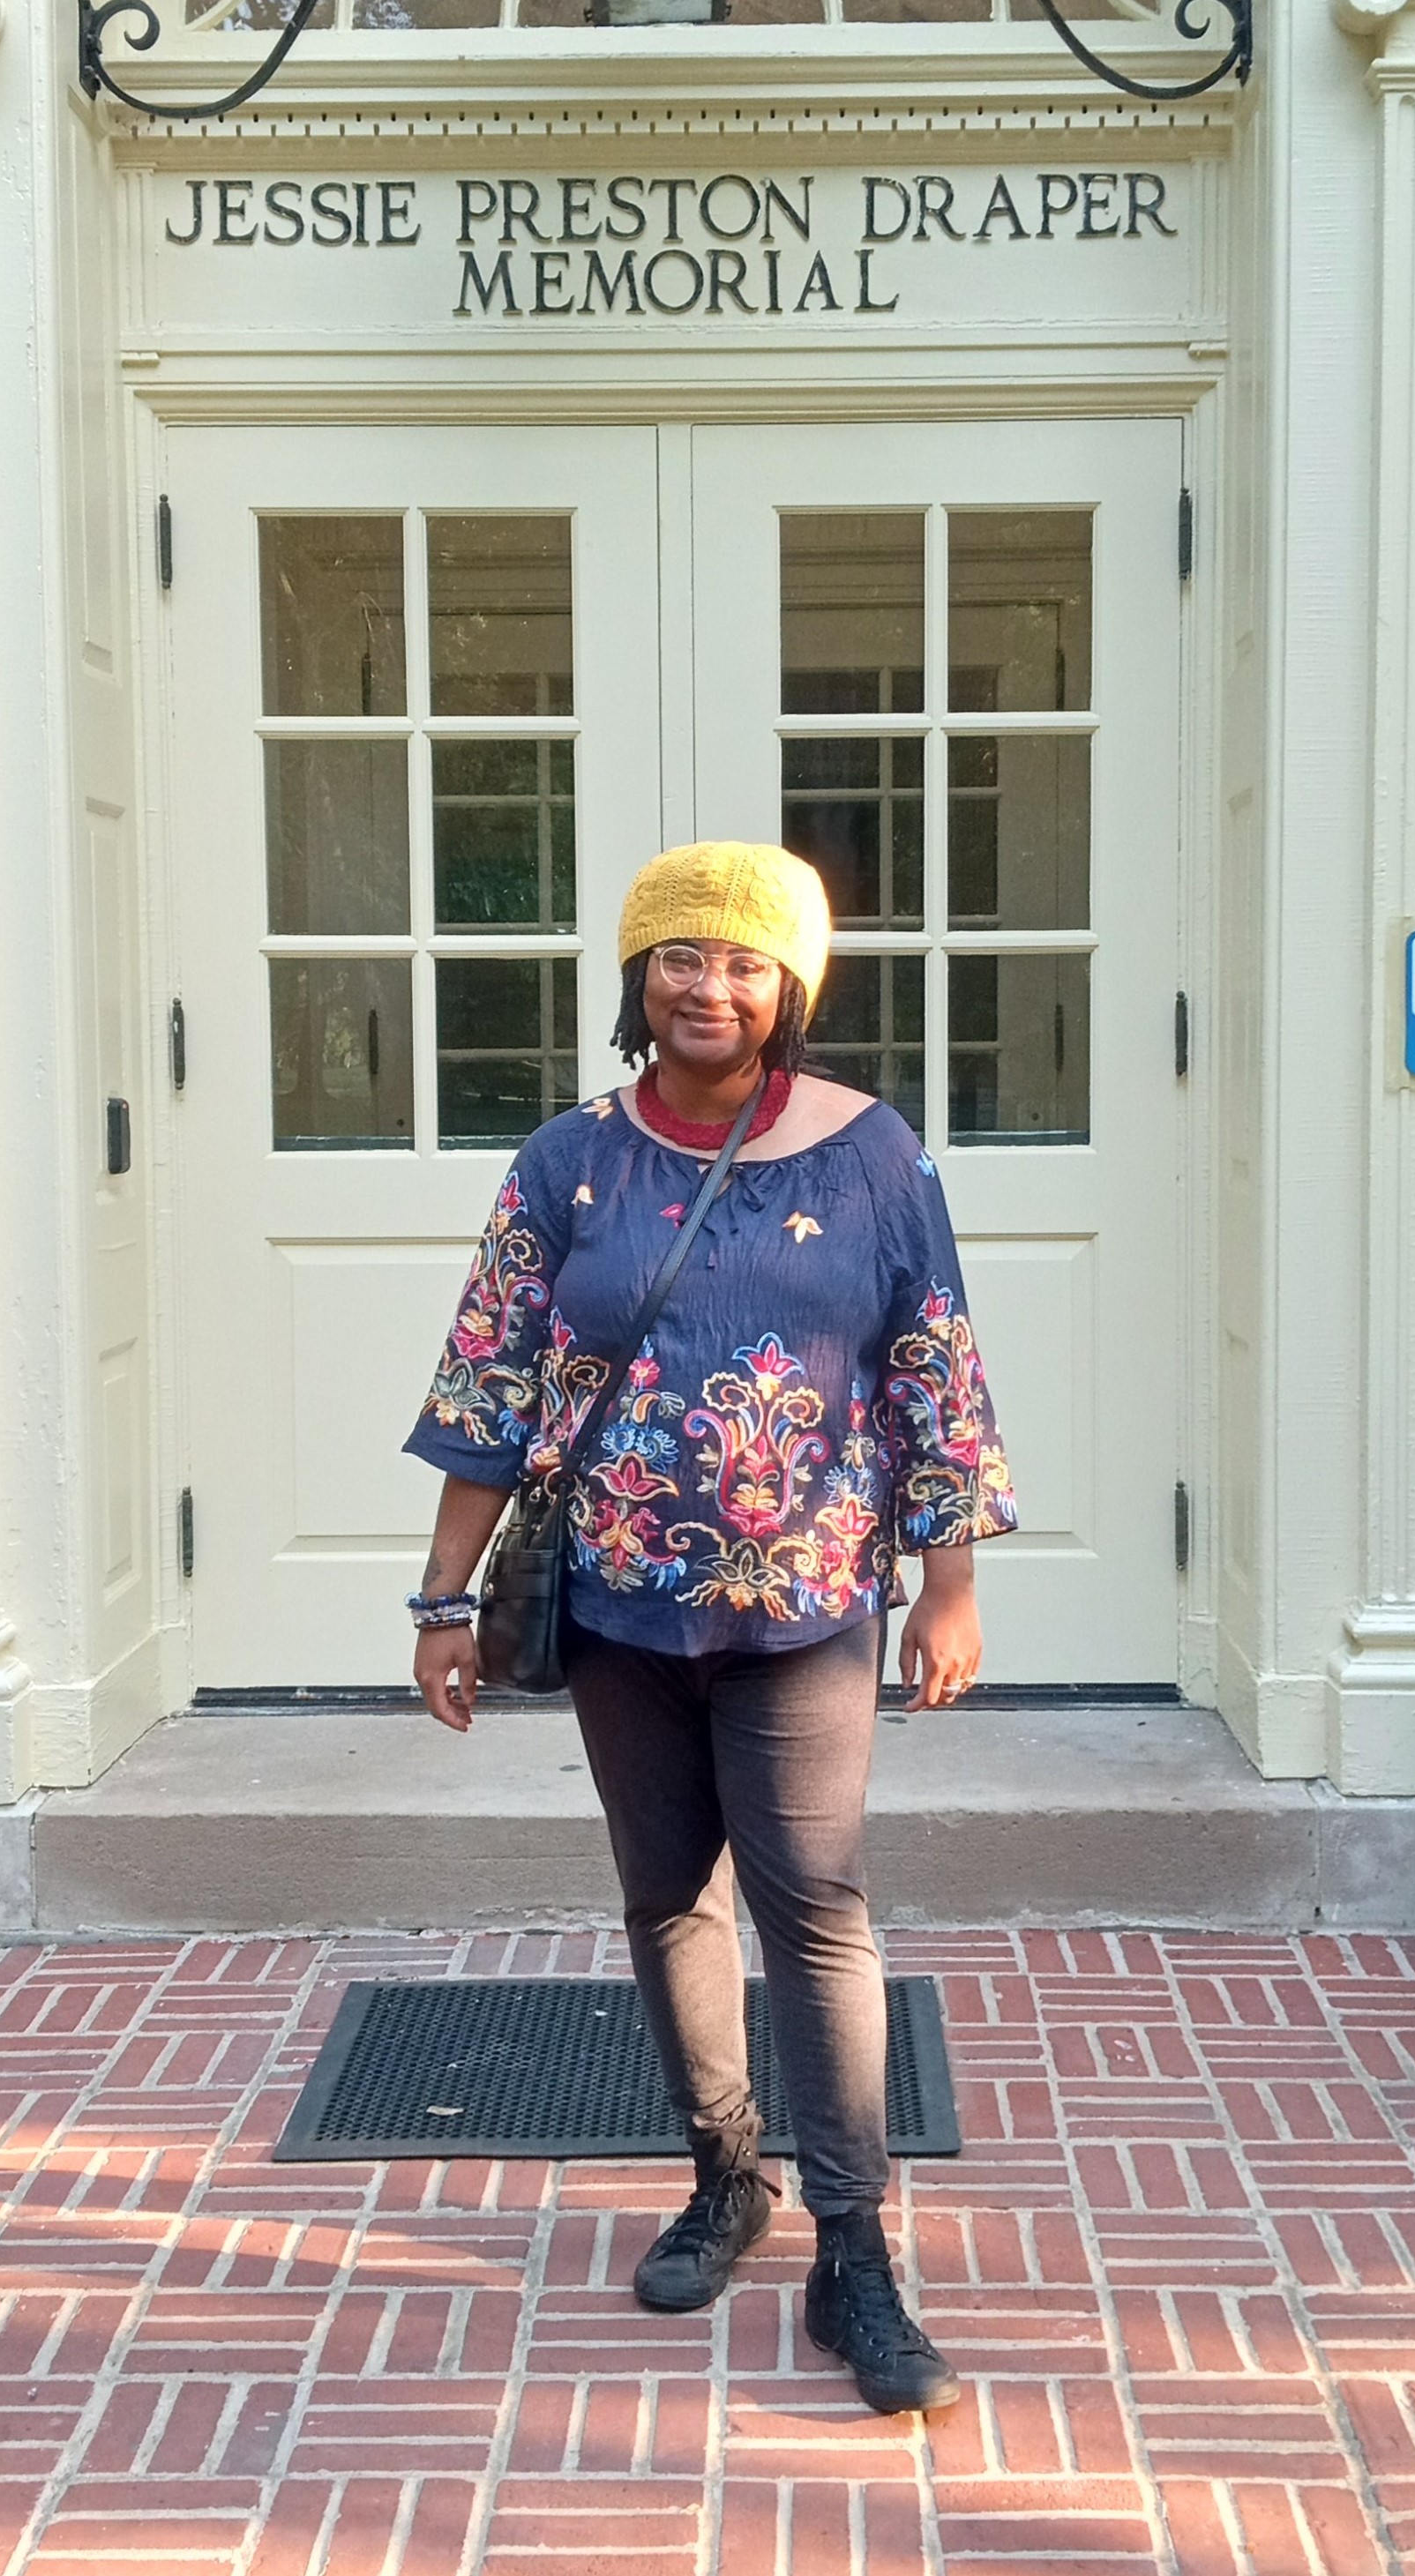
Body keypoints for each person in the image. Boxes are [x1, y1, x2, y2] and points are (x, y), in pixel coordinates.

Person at [401, 840, 1017, 2418]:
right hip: (616, 1604)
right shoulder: (565, 1163)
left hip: (806, 1601)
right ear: (636, 977)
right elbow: (489, 1380)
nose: (709, 984)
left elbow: (931, 1362)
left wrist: (947, 1576)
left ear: (788, 988)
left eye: (744, 962)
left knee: (813, 1899)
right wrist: (441, 1597)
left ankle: (856, 2251)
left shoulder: (872, 1154)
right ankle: (722, 2173)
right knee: (668, 1894)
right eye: (679, 956)